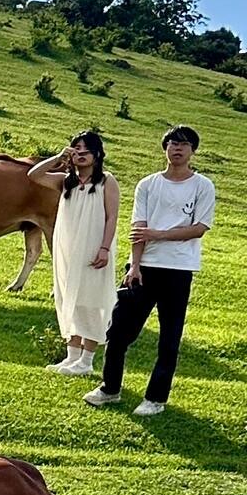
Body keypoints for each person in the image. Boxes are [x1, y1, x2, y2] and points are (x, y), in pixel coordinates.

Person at [87, 125, 217, 417]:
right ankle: (110, 389)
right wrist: (134, 266)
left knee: (169, 338)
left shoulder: (202, 186)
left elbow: (199, 229)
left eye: (183, 144)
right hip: (143, 268)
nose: (177, 148)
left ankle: (155, 399)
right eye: (172, 143)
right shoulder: (147, 184)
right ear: (165, 148)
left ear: (193, 151)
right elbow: (138, 229)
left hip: (178, 269)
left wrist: (159, 235)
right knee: (118, 331)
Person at [29, 129, 118, 376]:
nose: (80, 154)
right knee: (70, 297)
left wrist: (104, 248)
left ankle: (87, 360)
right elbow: (33, 175)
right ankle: (72, 357)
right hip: (67, 246)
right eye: (76, 149)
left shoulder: (106, 181)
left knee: (91, 300)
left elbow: (112, 217)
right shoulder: (65, 181)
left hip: (93, 247)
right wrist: (58, 157)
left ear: (97, 155)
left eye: (85, 150)